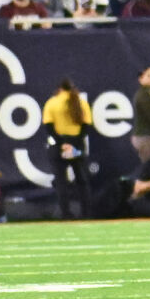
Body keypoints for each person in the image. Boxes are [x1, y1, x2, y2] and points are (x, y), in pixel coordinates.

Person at [41, 78, 93, 220]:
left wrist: (62, 143)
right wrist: (74, 144)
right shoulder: (81, 103)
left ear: (59, 89)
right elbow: (86, 127)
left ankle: (66, 214)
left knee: (61, 181)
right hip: (77, 143)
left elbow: (49, 127)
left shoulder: (52, 103)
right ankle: (87, 213)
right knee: (82, 180)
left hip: (58, 145)